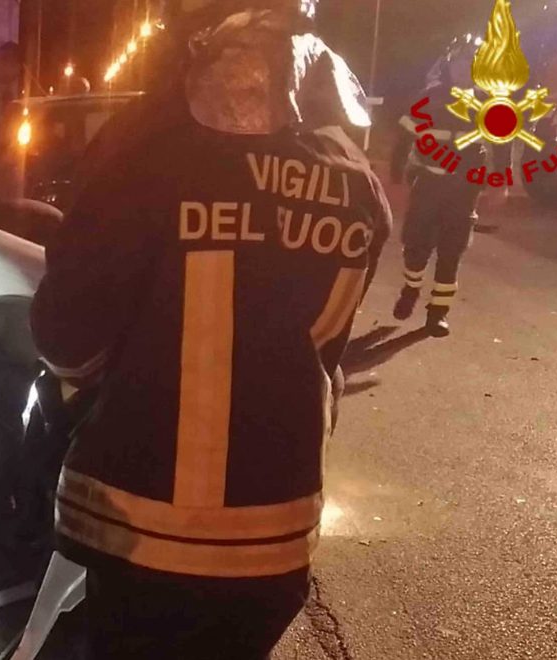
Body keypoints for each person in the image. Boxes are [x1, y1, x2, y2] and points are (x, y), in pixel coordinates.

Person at [29, 1, 392, 658]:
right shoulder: (356, 179)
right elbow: (325, 352)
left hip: (137, 533)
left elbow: (66, 337)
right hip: (275, 541)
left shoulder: (144, 154)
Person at [393, 40, 487, 337]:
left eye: (471, 65)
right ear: (448, 66)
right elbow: (404, 138)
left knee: (451, 252)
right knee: (416, 246)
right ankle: (411, 289)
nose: (464, 70)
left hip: (464, 190)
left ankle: (438, 313)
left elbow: (501, 144)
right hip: (429, 184)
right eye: (459, 64)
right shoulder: (428, 98)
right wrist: (395, 176)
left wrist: (502, 181)